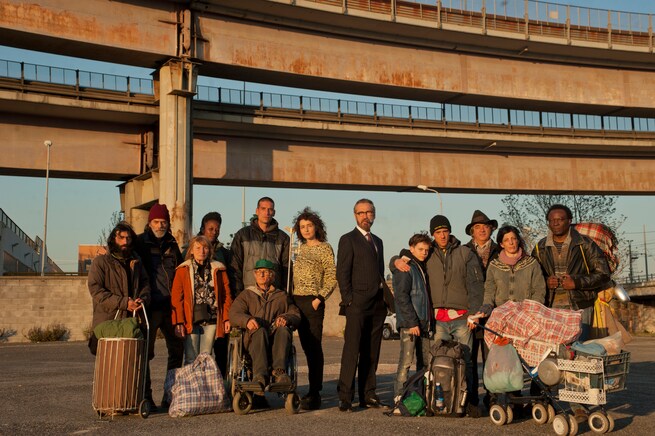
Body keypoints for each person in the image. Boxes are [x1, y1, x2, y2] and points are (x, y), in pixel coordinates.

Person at [393, 215, 484, 417]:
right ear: (433, 234)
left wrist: (474, 314)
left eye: (445, 231)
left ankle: (469, 401)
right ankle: (436, 400)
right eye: (438, 232)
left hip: (462, 318)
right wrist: (396, 259)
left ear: (450, 232)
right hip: (438, 320)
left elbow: (476, 285)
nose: (442, 235)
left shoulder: (465, 253)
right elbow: (408, 255)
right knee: (437, 362)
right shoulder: (429, 253)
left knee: (466, 361)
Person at [532, 204, 611, 419]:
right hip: (551, 310)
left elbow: (603, 274)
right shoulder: (540, 247)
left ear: (569, 220)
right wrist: (544, 282)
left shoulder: (584, 244)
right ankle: (548, 401)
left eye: (560, 219)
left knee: (579, 357)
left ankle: (578, 405)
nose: (556, 223)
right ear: (548, 222)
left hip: (579, 307)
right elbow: (532, 277)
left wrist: (577, 282)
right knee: (551, 357)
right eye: (552, 220)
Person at [336, 199, 388, 412]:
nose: (365, 216)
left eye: (368, 212)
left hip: (377, 305)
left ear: (374, 214)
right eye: (361, 213)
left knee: (372, 351)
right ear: (355, 216)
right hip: (356, 304)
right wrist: (348, 300)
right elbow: (342, 272)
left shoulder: (378, 241)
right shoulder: (347, 239)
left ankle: (368, 394)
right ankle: (346, 397)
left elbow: (379, 271)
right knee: (352, 350)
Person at [134, 203, 184, 410]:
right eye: (156, 221)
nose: (160, 225)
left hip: (171, 307)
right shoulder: (139, 243)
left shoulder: (173, 245)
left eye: (164, 222)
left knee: (177, 350)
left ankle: (170, 395)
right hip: (150, 307)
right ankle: (146, 396)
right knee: (146, 353)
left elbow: (180, 273)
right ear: (149, 223)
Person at [229, 259, 300, 393]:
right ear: (255, 275)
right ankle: (259, 375)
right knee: (259, 331)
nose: (262, 275)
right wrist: (247, 320)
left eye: (266, 272)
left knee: (284, 330)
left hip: (276, 341)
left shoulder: (281, 296)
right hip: (253, 340)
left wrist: (286, 318)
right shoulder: (246, 295)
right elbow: (234, 314)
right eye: (259, 272)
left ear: (272, 276)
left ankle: (279, 372)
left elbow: (295, 313)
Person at [291, 207, 337, 410]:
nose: (306, 229)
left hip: (312, 302)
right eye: (302, 227)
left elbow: (331, 276)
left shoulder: (324, 248)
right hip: (294, 300)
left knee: (313, 348)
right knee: (293, 345)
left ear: (316, 227)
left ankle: (314, 392)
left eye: (309, 226)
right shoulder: (297, 248)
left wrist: (319, 298)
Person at [87, 222, 150, 354]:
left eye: (128, 238)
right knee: (109, 366)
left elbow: (145, 284)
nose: (125, 241)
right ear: (113, 239)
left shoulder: (136, 262)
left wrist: (143, 299)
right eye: (121, 237)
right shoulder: (101, 262)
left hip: (133, 322)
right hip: (109, 322)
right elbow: (96, 290)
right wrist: (124, 303)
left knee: (134, 365)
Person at [170, 236, 232, 365]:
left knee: (206, 356)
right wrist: (178, 321)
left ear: (210, 250)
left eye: (205, 248)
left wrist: (226, 318)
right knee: (191, 357)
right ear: (191, 250)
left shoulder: (219, 269)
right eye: (198, 248)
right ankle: (191, 385)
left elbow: (226, 296)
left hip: (212, 318)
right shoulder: (183, 270)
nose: (202, 251)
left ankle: (203, 385)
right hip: (190, 319)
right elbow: (177, 298)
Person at [464, 210, 501, 410]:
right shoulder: (463, 251)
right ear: (472, 231)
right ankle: (471, 399)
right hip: (471, 313)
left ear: (491, 229)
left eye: (485, 226)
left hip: (495, 314)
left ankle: (492, 397)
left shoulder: (500, 250)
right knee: (469, 359)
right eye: (477, 227)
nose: (482, 230)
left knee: (492, 359)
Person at [191, 211, 235, 375]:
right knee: (195, 353)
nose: (214, 232)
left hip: (217, 311)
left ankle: (220, 386)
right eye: (210, 228)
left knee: (220, 350)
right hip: (195, 312)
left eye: (217, 229)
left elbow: (228, 283)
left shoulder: (223, 253)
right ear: (203, 229)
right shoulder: (189, 250)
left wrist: (228, 312)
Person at [392, 233, 432, 400]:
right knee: (406, 362)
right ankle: (399, 398)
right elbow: (402, 297)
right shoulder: (406, 267)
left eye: (426, 250)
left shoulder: (421, 267)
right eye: (420, 249)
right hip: (411, 324)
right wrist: (411, 322)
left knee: (424, 364)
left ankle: (420, 396)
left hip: (423, 323)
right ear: (411, 249)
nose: (424, 253)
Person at [479, 225, 546, 315]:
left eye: (513, 238)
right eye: (506, 240)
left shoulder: (531, 263)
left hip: (526, 313)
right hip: (501, 313)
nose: (511, 243)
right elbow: (489, 291)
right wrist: (486, 306)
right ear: (501, 244)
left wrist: (532, 309)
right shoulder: (494, 266)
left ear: (518, 240)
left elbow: (539, 290)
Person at [231, 197, 291, 296]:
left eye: (270, 209)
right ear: (257, 211)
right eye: (263, 209)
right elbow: (235, 266)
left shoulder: (283, 238)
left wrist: (284, 295)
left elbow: (287, 269)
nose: (266, 213)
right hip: (248, 293)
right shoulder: (243, 235)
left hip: (274, 295)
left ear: (274, 212)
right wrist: (238, 293)